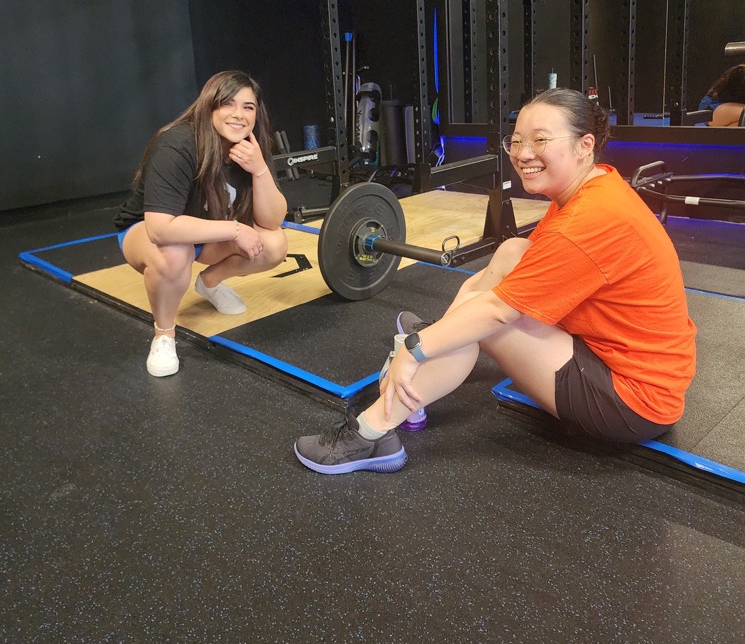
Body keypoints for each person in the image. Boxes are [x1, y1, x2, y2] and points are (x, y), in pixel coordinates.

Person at [294, 88, 697, 475]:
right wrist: (438, 339)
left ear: (585, 144)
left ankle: (371, 432)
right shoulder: (594, 185)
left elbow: (497, 312)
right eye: (517, 141)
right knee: (511, 253)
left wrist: (413, 352)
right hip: (616, 358)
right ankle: (429, 359)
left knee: (486, 326)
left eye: (540, 140)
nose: (523, 154)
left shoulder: (588, 220)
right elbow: (512, 276)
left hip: (634, 401)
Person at [114, 70, 288, 377]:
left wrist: (259, 167)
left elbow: (272, 220)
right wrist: (235, 229)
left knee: (274, 245)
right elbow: (161, 228)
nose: (239, 115)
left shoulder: (250, 146)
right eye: (228, 104)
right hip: (145, 232)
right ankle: (164, 334)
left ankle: (209, 283)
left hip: (204, 233)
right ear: (210, 106)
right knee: (174, 253)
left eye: (248, 107)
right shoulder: (178, 144)